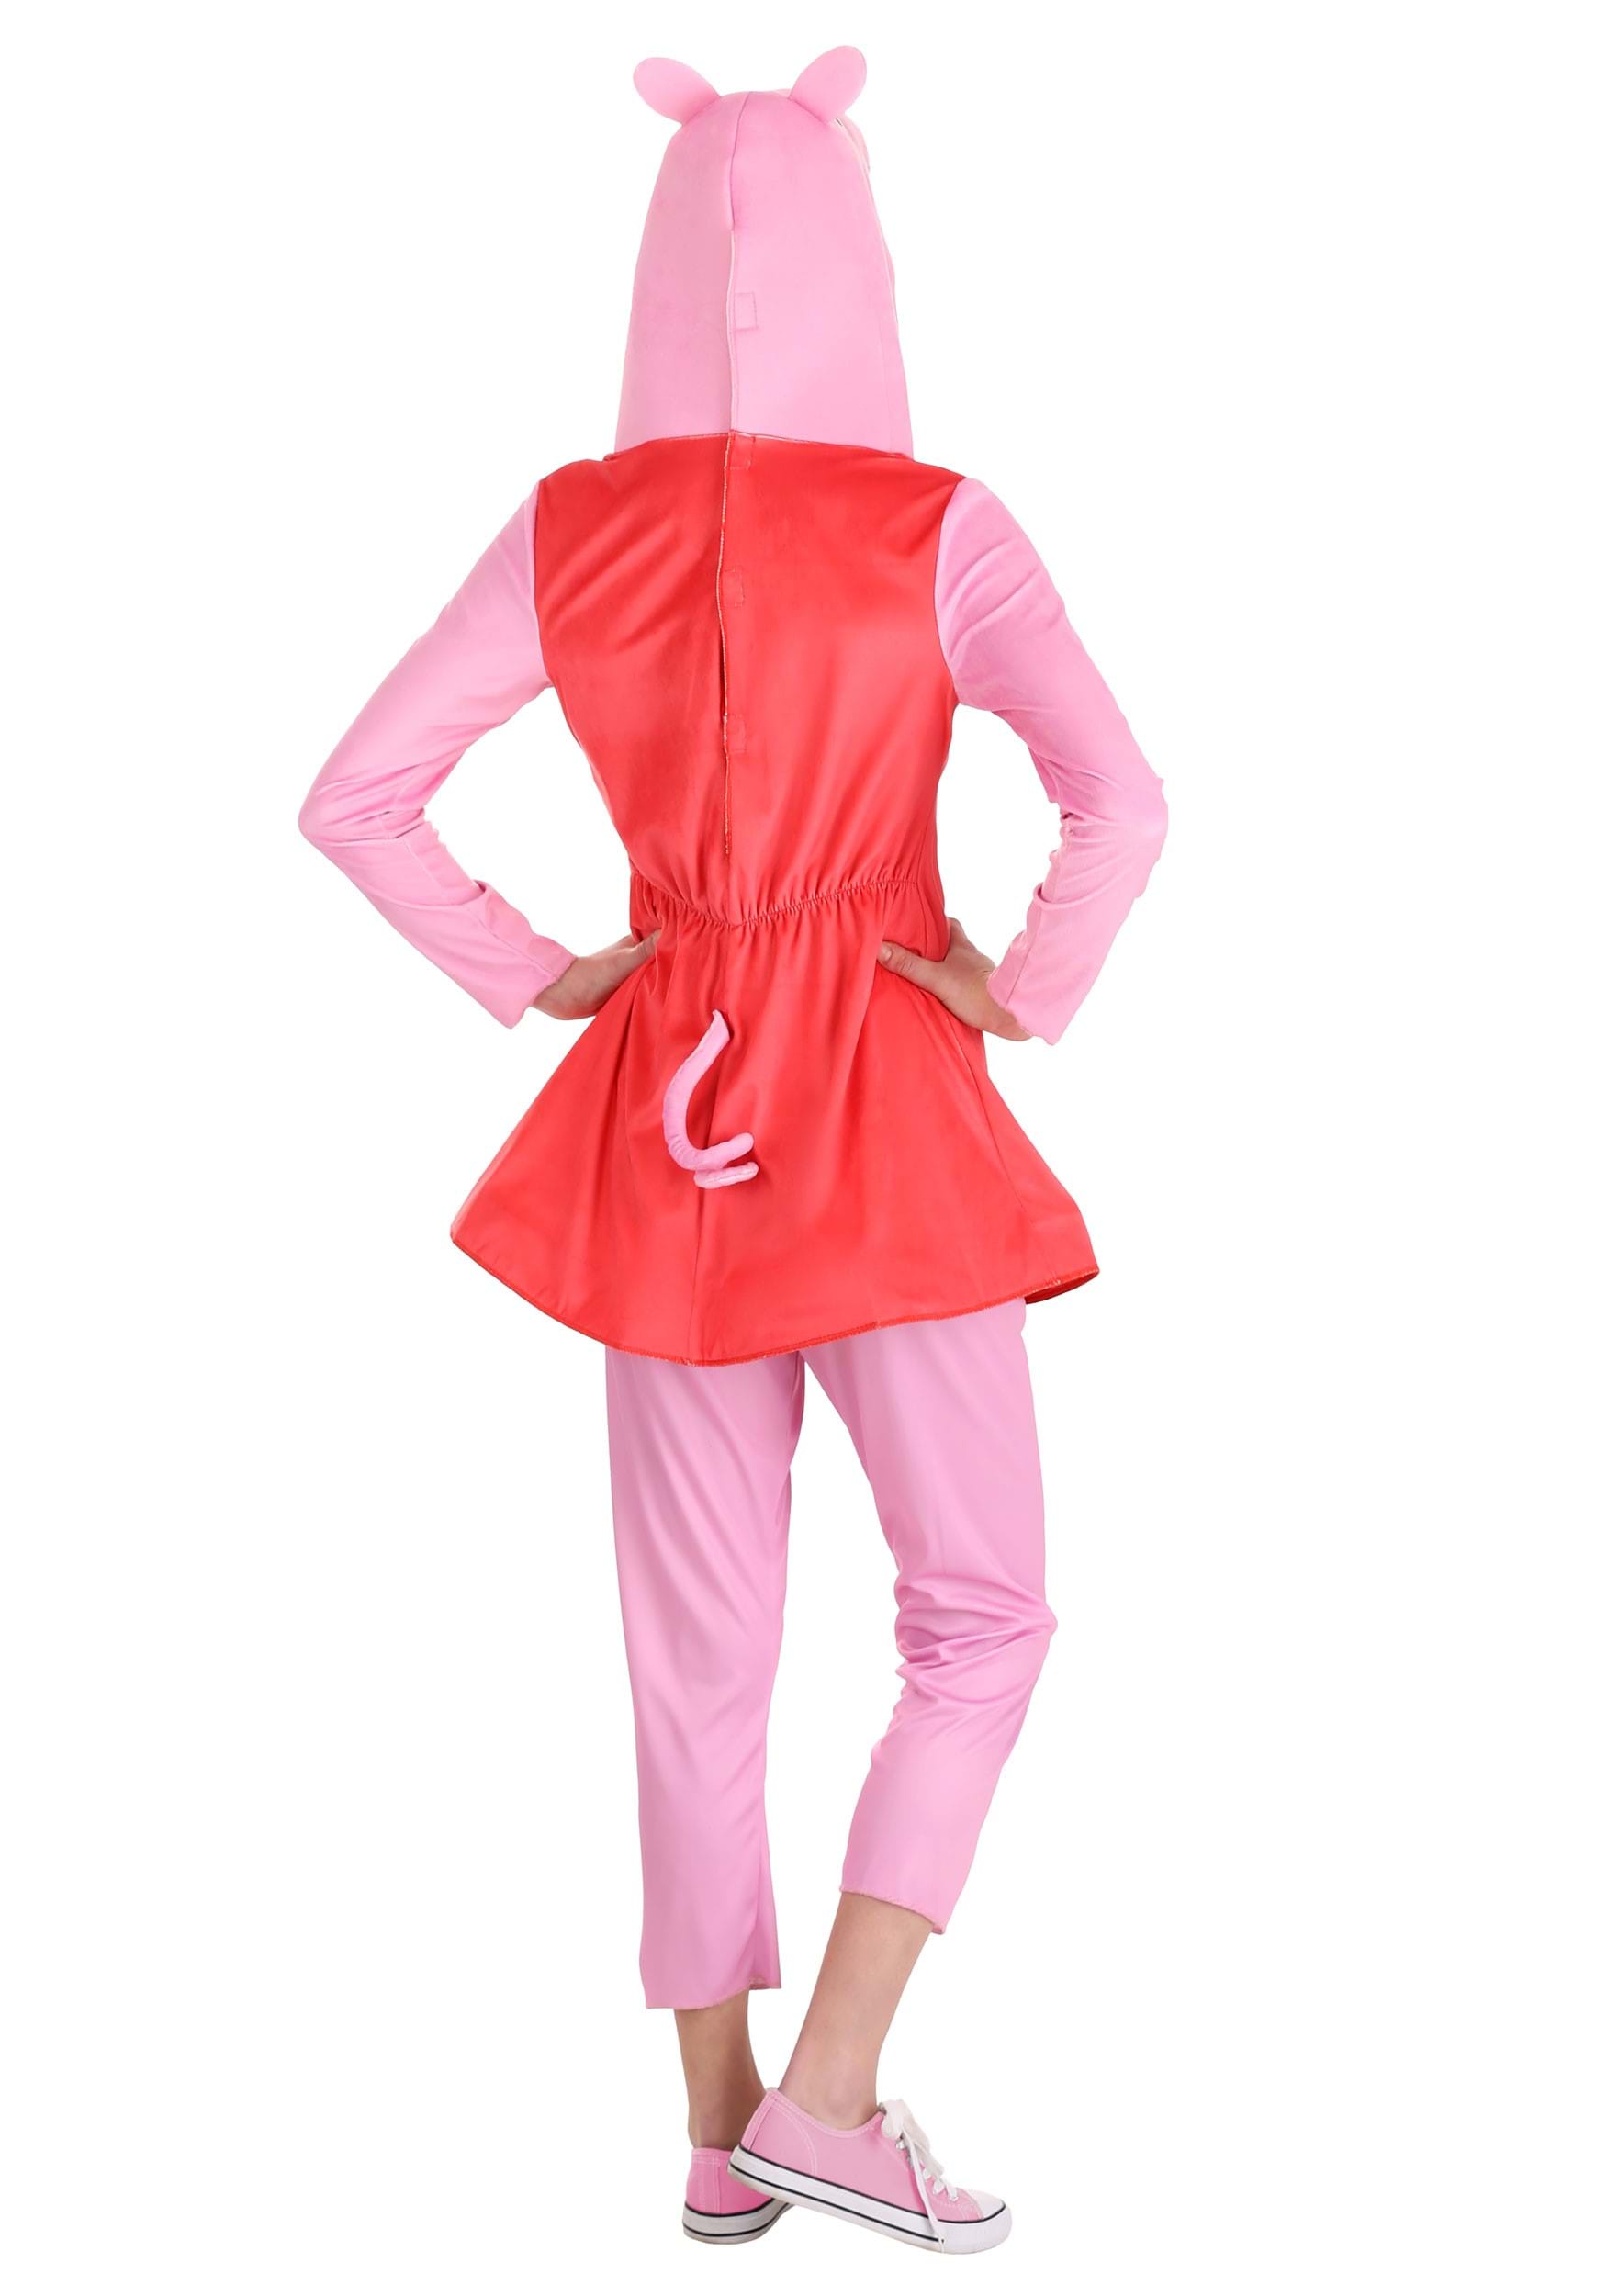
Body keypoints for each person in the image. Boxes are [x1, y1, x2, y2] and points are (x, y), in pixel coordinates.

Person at [300, 47, 1166, 2256]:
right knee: (979, 1612)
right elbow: (1122, 798)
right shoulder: (935, 524)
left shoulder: (569, 526)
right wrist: (1015, 986)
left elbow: (355, 799)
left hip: (662, 1114)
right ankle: (835, 2089)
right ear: (863, 260)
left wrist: (539, 972)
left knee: (692, 1649)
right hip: (881, 1112)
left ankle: (716, 2133)